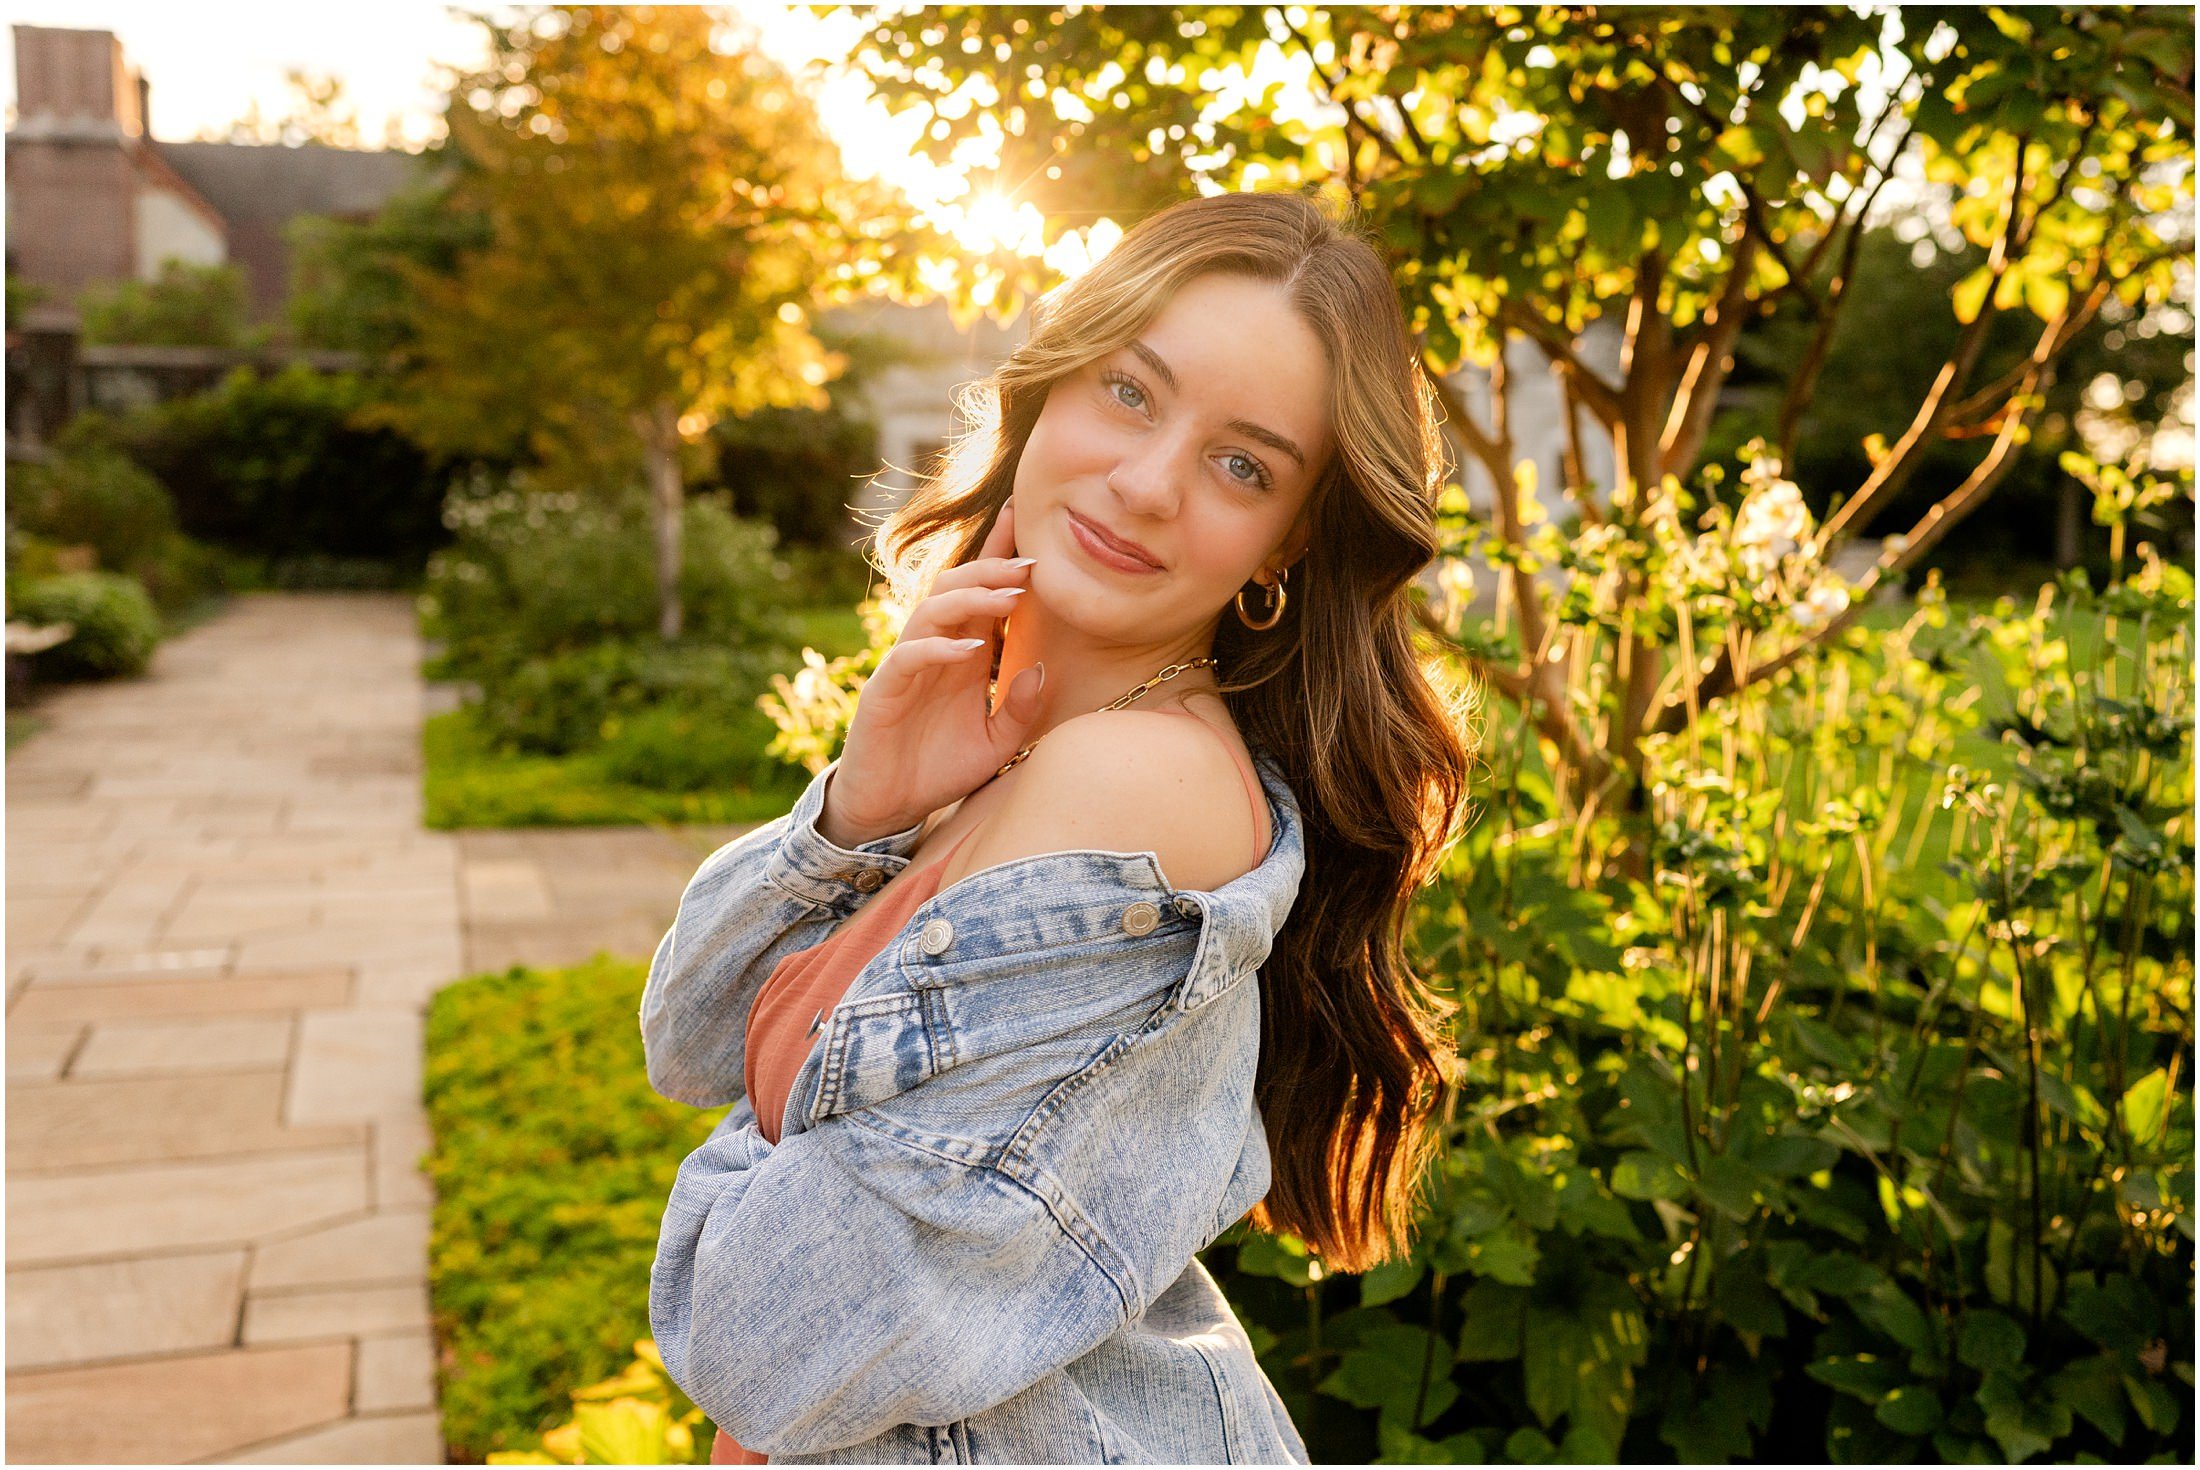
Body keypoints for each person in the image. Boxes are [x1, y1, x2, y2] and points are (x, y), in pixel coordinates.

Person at [642, 188, 1475, 1465]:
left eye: (1240, 464)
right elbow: (692, 1037)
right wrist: (859, 810)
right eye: (1129, 392)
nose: (1146, 483)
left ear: (1286, 543)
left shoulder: (1136, 788)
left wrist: (751, 1182)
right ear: (1047, 386)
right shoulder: (1016, 747)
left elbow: (760, 1340)